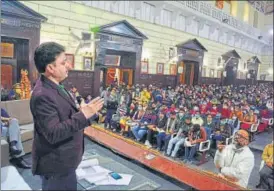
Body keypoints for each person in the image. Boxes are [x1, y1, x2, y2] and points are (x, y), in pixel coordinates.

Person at [30, 42, 104, 190]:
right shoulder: (42, 95)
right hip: (55, 166)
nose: (69, 66)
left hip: (65, 163)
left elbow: (66, 117)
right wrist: (83, 114)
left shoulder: (57, 86)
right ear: (50, 68)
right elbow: (53, 133)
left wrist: (86, 113)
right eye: (63, 63)